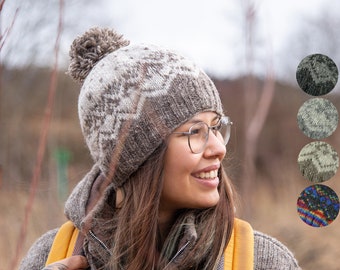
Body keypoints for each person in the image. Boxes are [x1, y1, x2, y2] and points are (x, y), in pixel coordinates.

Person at [19, 27, 300, 270]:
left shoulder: (263, 261)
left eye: (216, 127)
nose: (218, 148)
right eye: (195, 131)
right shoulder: (52, 255)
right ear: (136, 157)